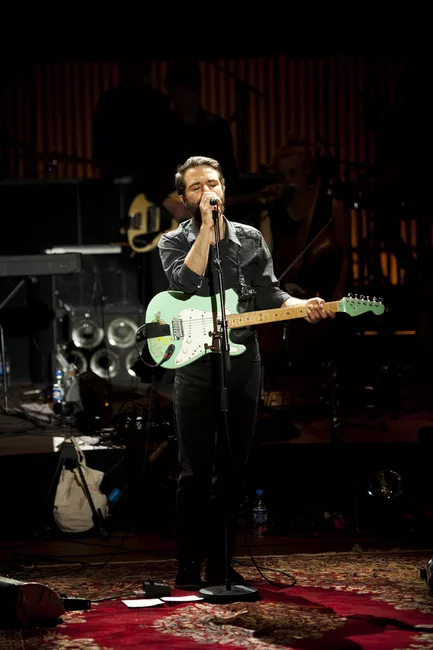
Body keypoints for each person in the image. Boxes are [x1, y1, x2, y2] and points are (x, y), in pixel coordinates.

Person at [158, 155, 334, 589]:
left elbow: (270, 293)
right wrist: (206, 230)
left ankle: (221, 563)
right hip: (195, 367)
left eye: (213, 184)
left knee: (232, 470)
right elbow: (183, 284)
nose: (207, 192)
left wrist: (302, 306)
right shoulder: (172, 241)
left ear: (224, 188)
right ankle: (188, 565)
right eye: (196, 187)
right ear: (183, 198)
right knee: (194, 472)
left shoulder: (250, 239)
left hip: (242, 365)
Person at [165, 58, 239, 197]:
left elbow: (229, 176)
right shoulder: (161, 129)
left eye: (183, 89)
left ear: (196, 89)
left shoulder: (218, 129)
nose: (177, 96)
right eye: (174, 90)